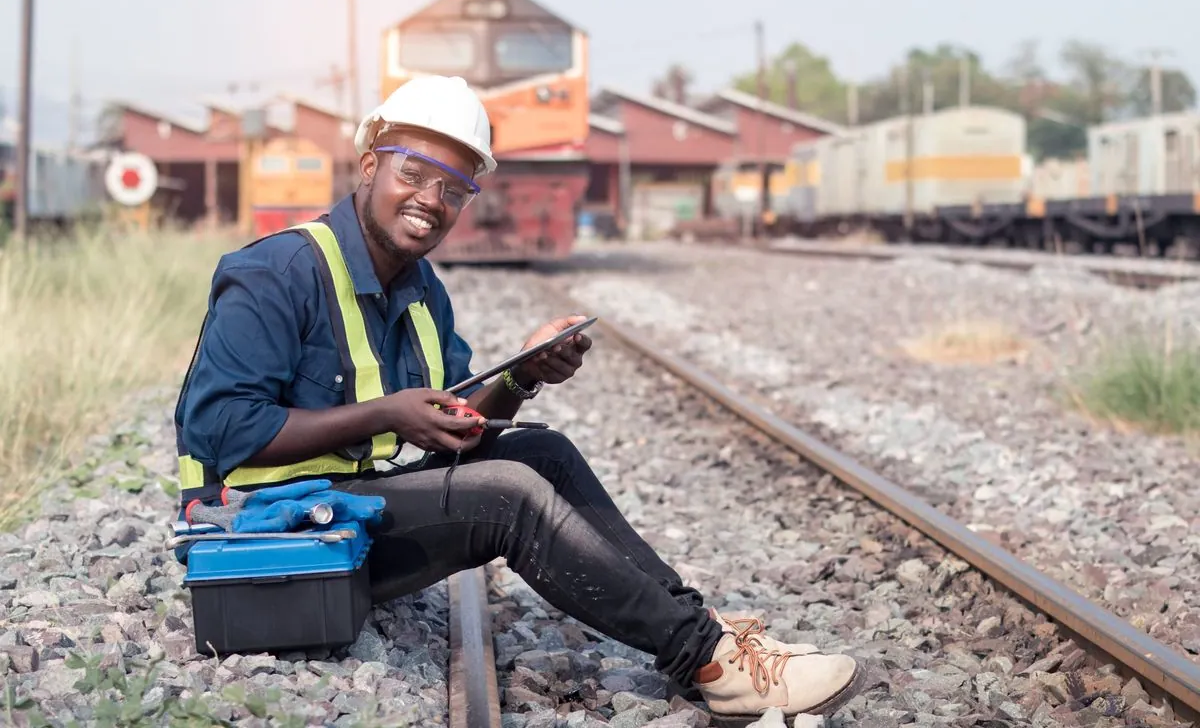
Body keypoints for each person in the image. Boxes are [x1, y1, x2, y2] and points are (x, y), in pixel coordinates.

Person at [173, 75, 866, 723]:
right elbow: (222, 430)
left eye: (452, 187)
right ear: (368, 167)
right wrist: (387, 413)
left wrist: (523, 375)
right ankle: (712, 665)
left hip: (341, 518)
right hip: (263, 543)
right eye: (412, 173)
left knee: (541, 450)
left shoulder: (419, 289)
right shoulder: (276, 272)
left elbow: (459, 428)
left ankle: (705, 631)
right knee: (506, 494)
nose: (429, 199)